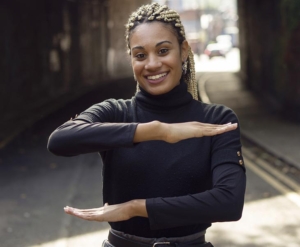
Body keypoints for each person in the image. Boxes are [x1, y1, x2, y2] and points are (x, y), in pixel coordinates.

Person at [48, 3, 246, 247]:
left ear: (184, 51)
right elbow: (60, 140)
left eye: (163, 51)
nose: (152, 64)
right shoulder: (116, 112)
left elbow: (229, 202)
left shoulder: (216, 120)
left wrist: (135, 208)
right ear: (131, 59)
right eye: (140, 55)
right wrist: (157, 131)